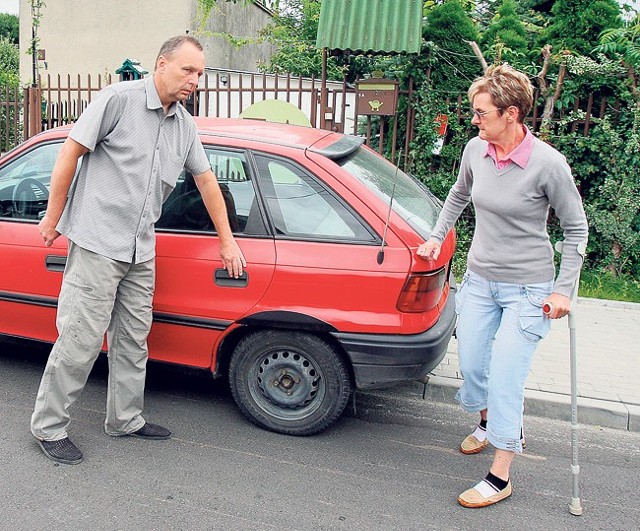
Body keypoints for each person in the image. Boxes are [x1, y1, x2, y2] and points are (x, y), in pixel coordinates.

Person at [31, 35, 246, 465]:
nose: (195, 81)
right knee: (80, 340)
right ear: (161, 64)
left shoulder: (184, 126)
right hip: (97, 242)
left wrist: (227, 239)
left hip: (140, 250)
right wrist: (53, 217)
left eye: (200, 73)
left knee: (133, 340)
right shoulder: (117, 100)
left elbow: (206, 182)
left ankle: (125, 419)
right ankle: (49, 427)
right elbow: (69, 154)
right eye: (188, 70)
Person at [417, 64, 588, 508]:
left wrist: (563, 290)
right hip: (480, 281)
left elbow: (576, 229)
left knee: (507, 376)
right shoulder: (477, 150)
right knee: (473, 368)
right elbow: (458, 194)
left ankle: (500, 472)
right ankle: (489, 422)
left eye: (481, 113)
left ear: (510, 114)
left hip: (529, 290)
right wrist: (436, 237)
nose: (474, 120)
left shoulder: (548, 164)